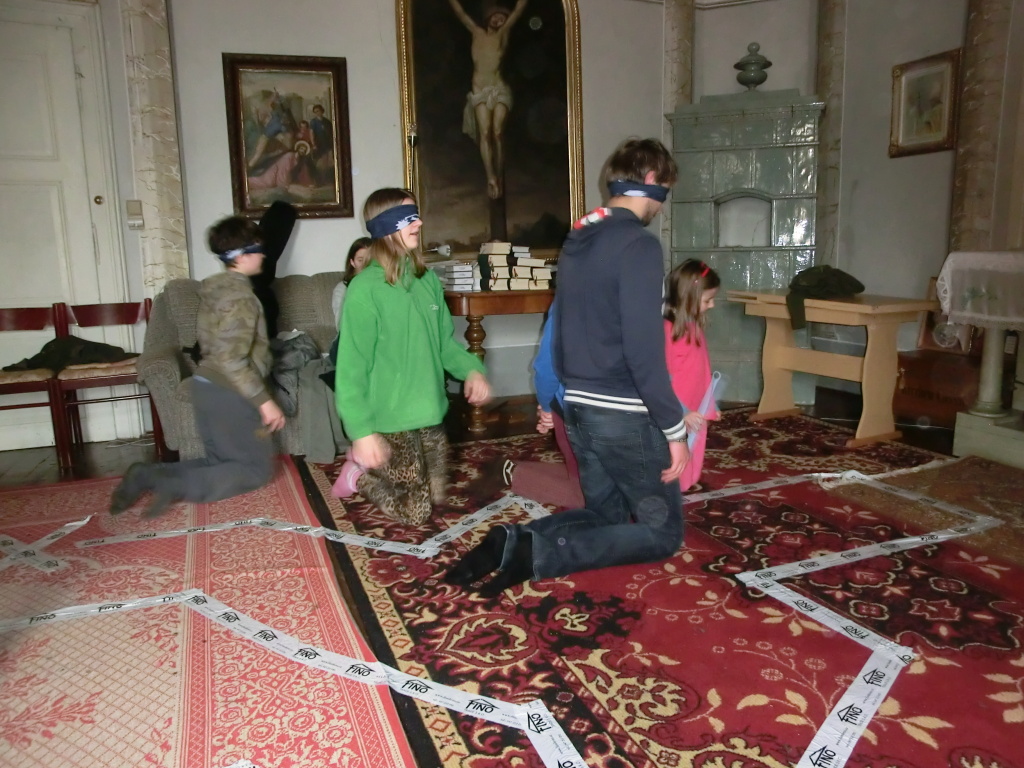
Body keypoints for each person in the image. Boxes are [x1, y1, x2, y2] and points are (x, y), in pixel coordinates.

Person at [445, 137, 689, 596]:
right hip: (622, 413)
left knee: (604, 514)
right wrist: (674, 430)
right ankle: (538, 554)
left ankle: (510, 542)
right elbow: (644, 351)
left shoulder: (578, 239)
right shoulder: (639, 245)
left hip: (578, 410)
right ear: (652, 180)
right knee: (662, 534)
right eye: (665, 191)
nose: (662, 206)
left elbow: (560, 331)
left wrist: (556, 399)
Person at [332, 188, 492, 524]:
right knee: (415, 512)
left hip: (429, 409)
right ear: (384, 225)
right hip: (389, 417)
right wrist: (361, 431)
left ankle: (381, 470)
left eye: (417, 215)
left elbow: (443, 343)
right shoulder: (364, 289)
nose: (419, 223)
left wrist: (472, 370)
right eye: (408, 217)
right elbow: (351, 368)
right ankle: (357, 475)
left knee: (437, 494)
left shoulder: (427, 280)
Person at [110, 217, 286, 518]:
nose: (263, 255)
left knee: (219, 463)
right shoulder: (241, 298)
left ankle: (146, 475)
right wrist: (264, 401)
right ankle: (169, 483)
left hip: (206, 386)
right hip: (229, 391)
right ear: (242, 256)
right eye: (258, 249)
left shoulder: (216, 290)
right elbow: (231, 359)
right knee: (254, 471)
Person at [502, 298, 586, 509]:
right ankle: (516, 474)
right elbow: (548, 365)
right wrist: (548, 408)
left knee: (604, 485)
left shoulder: (569, 298)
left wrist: (547, 407)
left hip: (603, 413)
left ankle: (515, 470)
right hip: (578, 412)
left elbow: (547, 366)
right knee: (594, 495)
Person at [447, 0, 528, 199]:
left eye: (503, 18)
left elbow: (518, 10)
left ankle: (499, 175)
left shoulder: (503, 34)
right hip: (479, 89)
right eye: (496, 16)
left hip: (498, 88)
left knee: (497, 132)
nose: (499, 20)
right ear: (489, 17)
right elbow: (460, 13)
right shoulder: (476, 32)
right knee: (484, 133)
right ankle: (490, 177)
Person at [664, 259, 721, 491]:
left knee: (694, 453)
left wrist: (710, 405)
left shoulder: (693, 328)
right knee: (677, 458)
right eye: (707, 300)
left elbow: (701, 372)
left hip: (697, 408)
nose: (712, 305)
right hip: (680, 411)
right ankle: (671, 495)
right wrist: (681, 411)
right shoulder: (668, 331)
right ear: (689, 297)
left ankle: (683, 491)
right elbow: (663, 378)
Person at [327, 236, 373, 369]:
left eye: (370, 260)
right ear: (352, 262)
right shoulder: (342, 288)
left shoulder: (384, 287)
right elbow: (342, 325)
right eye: (360, 260)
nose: (365, 265)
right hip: (347, 343)